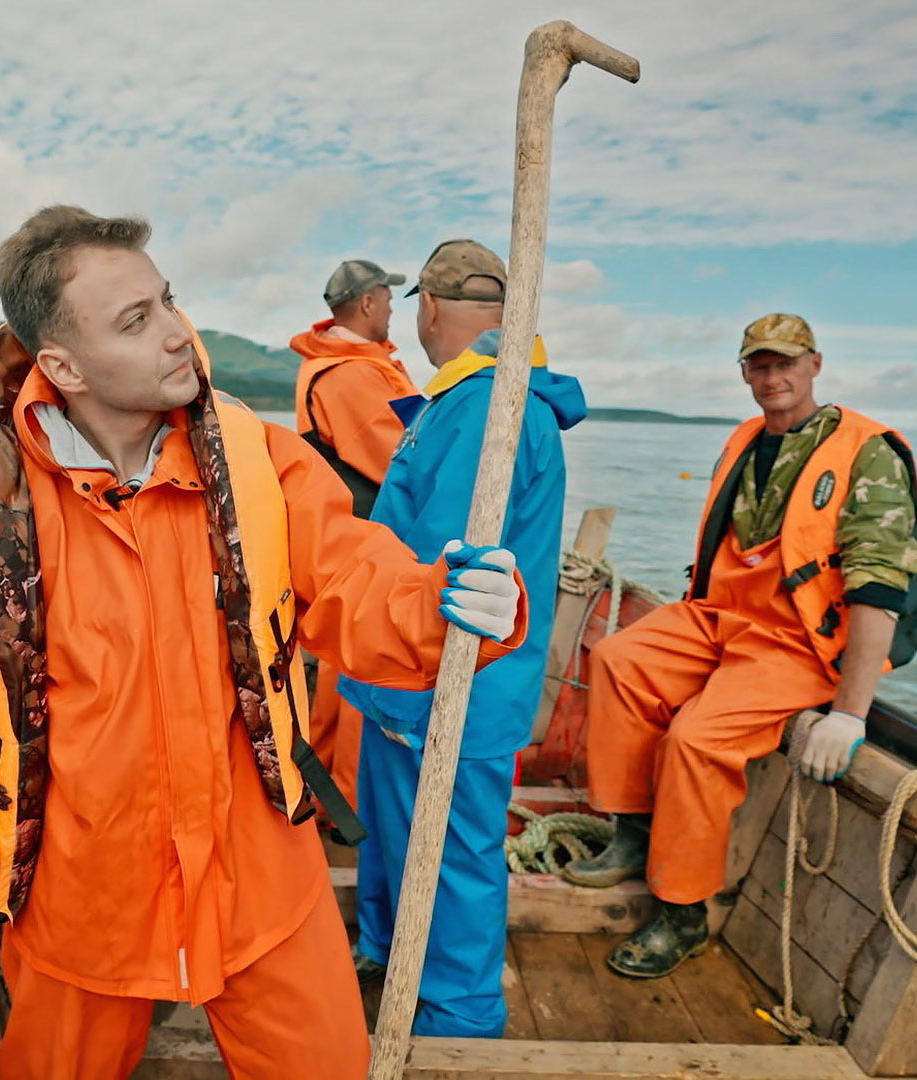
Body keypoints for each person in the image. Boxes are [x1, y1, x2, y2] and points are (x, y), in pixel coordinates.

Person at [0, 205, 531, 1079]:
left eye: (168, 300)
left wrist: (447, 603)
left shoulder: (262, 464)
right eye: (135, 320)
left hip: (264, 883)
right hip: (78, 908)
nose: (178, 333)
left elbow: (359, 581)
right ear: (62, 366)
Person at [563, 313, 917, 979]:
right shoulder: (743, 437)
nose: (773, 377)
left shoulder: (867, 450)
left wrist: (849, 714)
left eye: (785, 363)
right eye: (759, 365)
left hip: (797, 641)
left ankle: (683, 912)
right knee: (619, 659)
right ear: (743, 372)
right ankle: (633, 831)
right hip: (721, 616)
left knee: (696, 739)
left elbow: (879, 589)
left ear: (815, 364)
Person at [337, 239, 586, 1036]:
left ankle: (459, 1017)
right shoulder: (464, 399)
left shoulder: (488, 406)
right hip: (401, 680)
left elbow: (440, 560)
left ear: (431, 309)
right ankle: (385, 948)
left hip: (453, 684)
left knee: (452, 852)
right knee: (394, 831)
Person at [288, 258, 423, 811]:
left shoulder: (352, 365)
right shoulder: (350, 376)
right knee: (357, 671)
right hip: (361, 542)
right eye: (387, 298)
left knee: (340, 671)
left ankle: (329, 799)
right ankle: (345, 801)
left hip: (351, 539)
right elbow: (404, 460)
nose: (392, 308)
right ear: (367, 302)